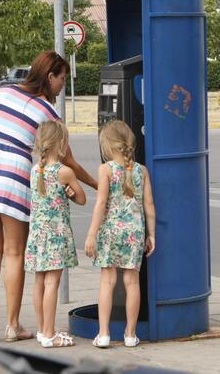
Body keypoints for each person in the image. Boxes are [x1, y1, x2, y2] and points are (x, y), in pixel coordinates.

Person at [0, 50, 97, 342]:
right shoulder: (48, 113)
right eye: (62, 79)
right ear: (50, 76)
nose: (63, 86)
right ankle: (12, 325)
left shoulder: (3, 92)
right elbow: (68, 162)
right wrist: (97, 184)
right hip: (14, 174)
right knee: (13, 253)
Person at [84, 120, 156, 348]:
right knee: (131, 282)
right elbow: (149, 205)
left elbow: (101, 203)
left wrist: (92, 234)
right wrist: (151, 235)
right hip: (134, 233)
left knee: (108, 280)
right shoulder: (141, 171)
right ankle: (130, 334)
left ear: (107, 145)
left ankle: (104, 333)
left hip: (110, 230)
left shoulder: (105, 170)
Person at [24, 120, 86, 348]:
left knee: (39, 282)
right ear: (61, 144)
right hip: (56, 236)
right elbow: (82, 198)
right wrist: (69, 193)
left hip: (38, 235)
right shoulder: (64, 172)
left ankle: (43, 329)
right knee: (52, 283)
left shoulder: (35, 170)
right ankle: (50, 334)